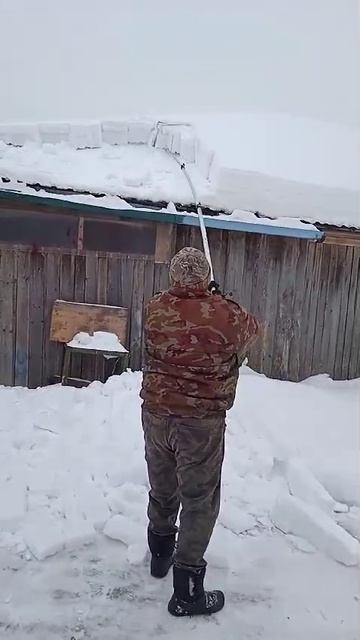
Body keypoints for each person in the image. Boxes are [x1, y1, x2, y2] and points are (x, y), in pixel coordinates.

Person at [140, 246, 259, 617]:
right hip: (200, 423)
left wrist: (208, 298)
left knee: (162, 486)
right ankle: (187, 592)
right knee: (199, 501)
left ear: (174, 277)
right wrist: (218, 299)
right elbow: (251, 332)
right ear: (206, 276)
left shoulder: (154, 308)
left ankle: (159, 556)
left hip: (157, 414)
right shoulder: (228, 314)